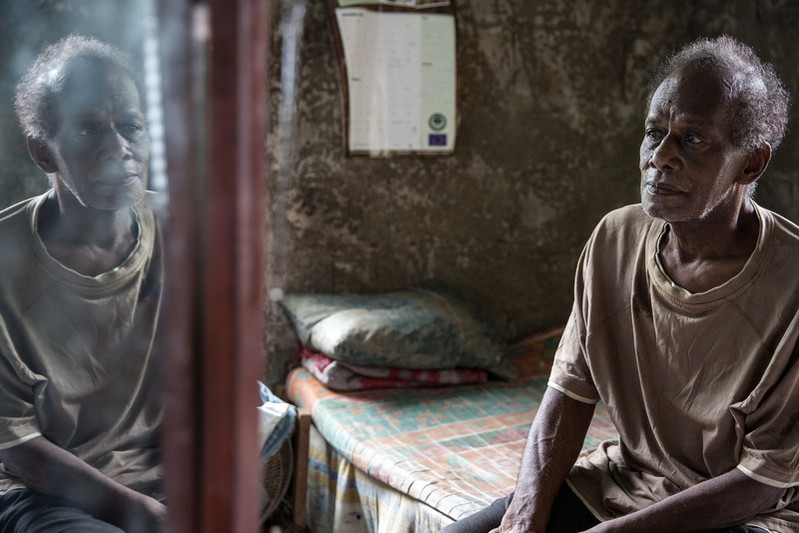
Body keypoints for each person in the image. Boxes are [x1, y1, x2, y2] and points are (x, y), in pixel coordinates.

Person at [442, 35, 799, 533]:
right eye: (655, 132)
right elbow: (568, 395)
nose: (661, 156)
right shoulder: (615, 239)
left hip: (748, 516)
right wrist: (525, 514)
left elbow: (763, 481)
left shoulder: (790, 285)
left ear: (751, 163)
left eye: (692, 139)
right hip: (625, 484)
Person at [0, 36, 165, 532]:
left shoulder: (182, 232)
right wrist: (142, 513)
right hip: (39, 491)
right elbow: (16, 446)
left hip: (158, 478)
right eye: (88, 130)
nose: (118, 149)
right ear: (43, 152)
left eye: (131, 127)